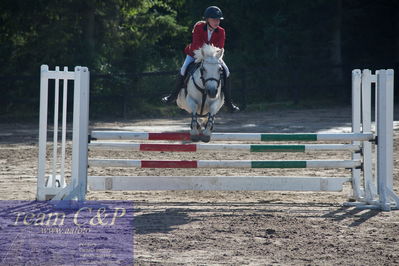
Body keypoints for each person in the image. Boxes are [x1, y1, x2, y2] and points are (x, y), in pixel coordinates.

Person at [161, 6, 239, 112]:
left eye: (218, 20)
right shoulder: (199, 27)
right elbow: (196, 45)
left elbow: (219, 47)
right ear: (207, 19)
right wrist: (205, 54)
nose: (217, 22)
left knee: (226, 71)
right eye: (214, 19)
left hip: (213, 57)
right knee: (184, 69)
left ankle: (229, 102)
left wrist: (211, 56)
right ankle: (173, 96)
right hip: (195, 54)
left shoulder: (221, 31)